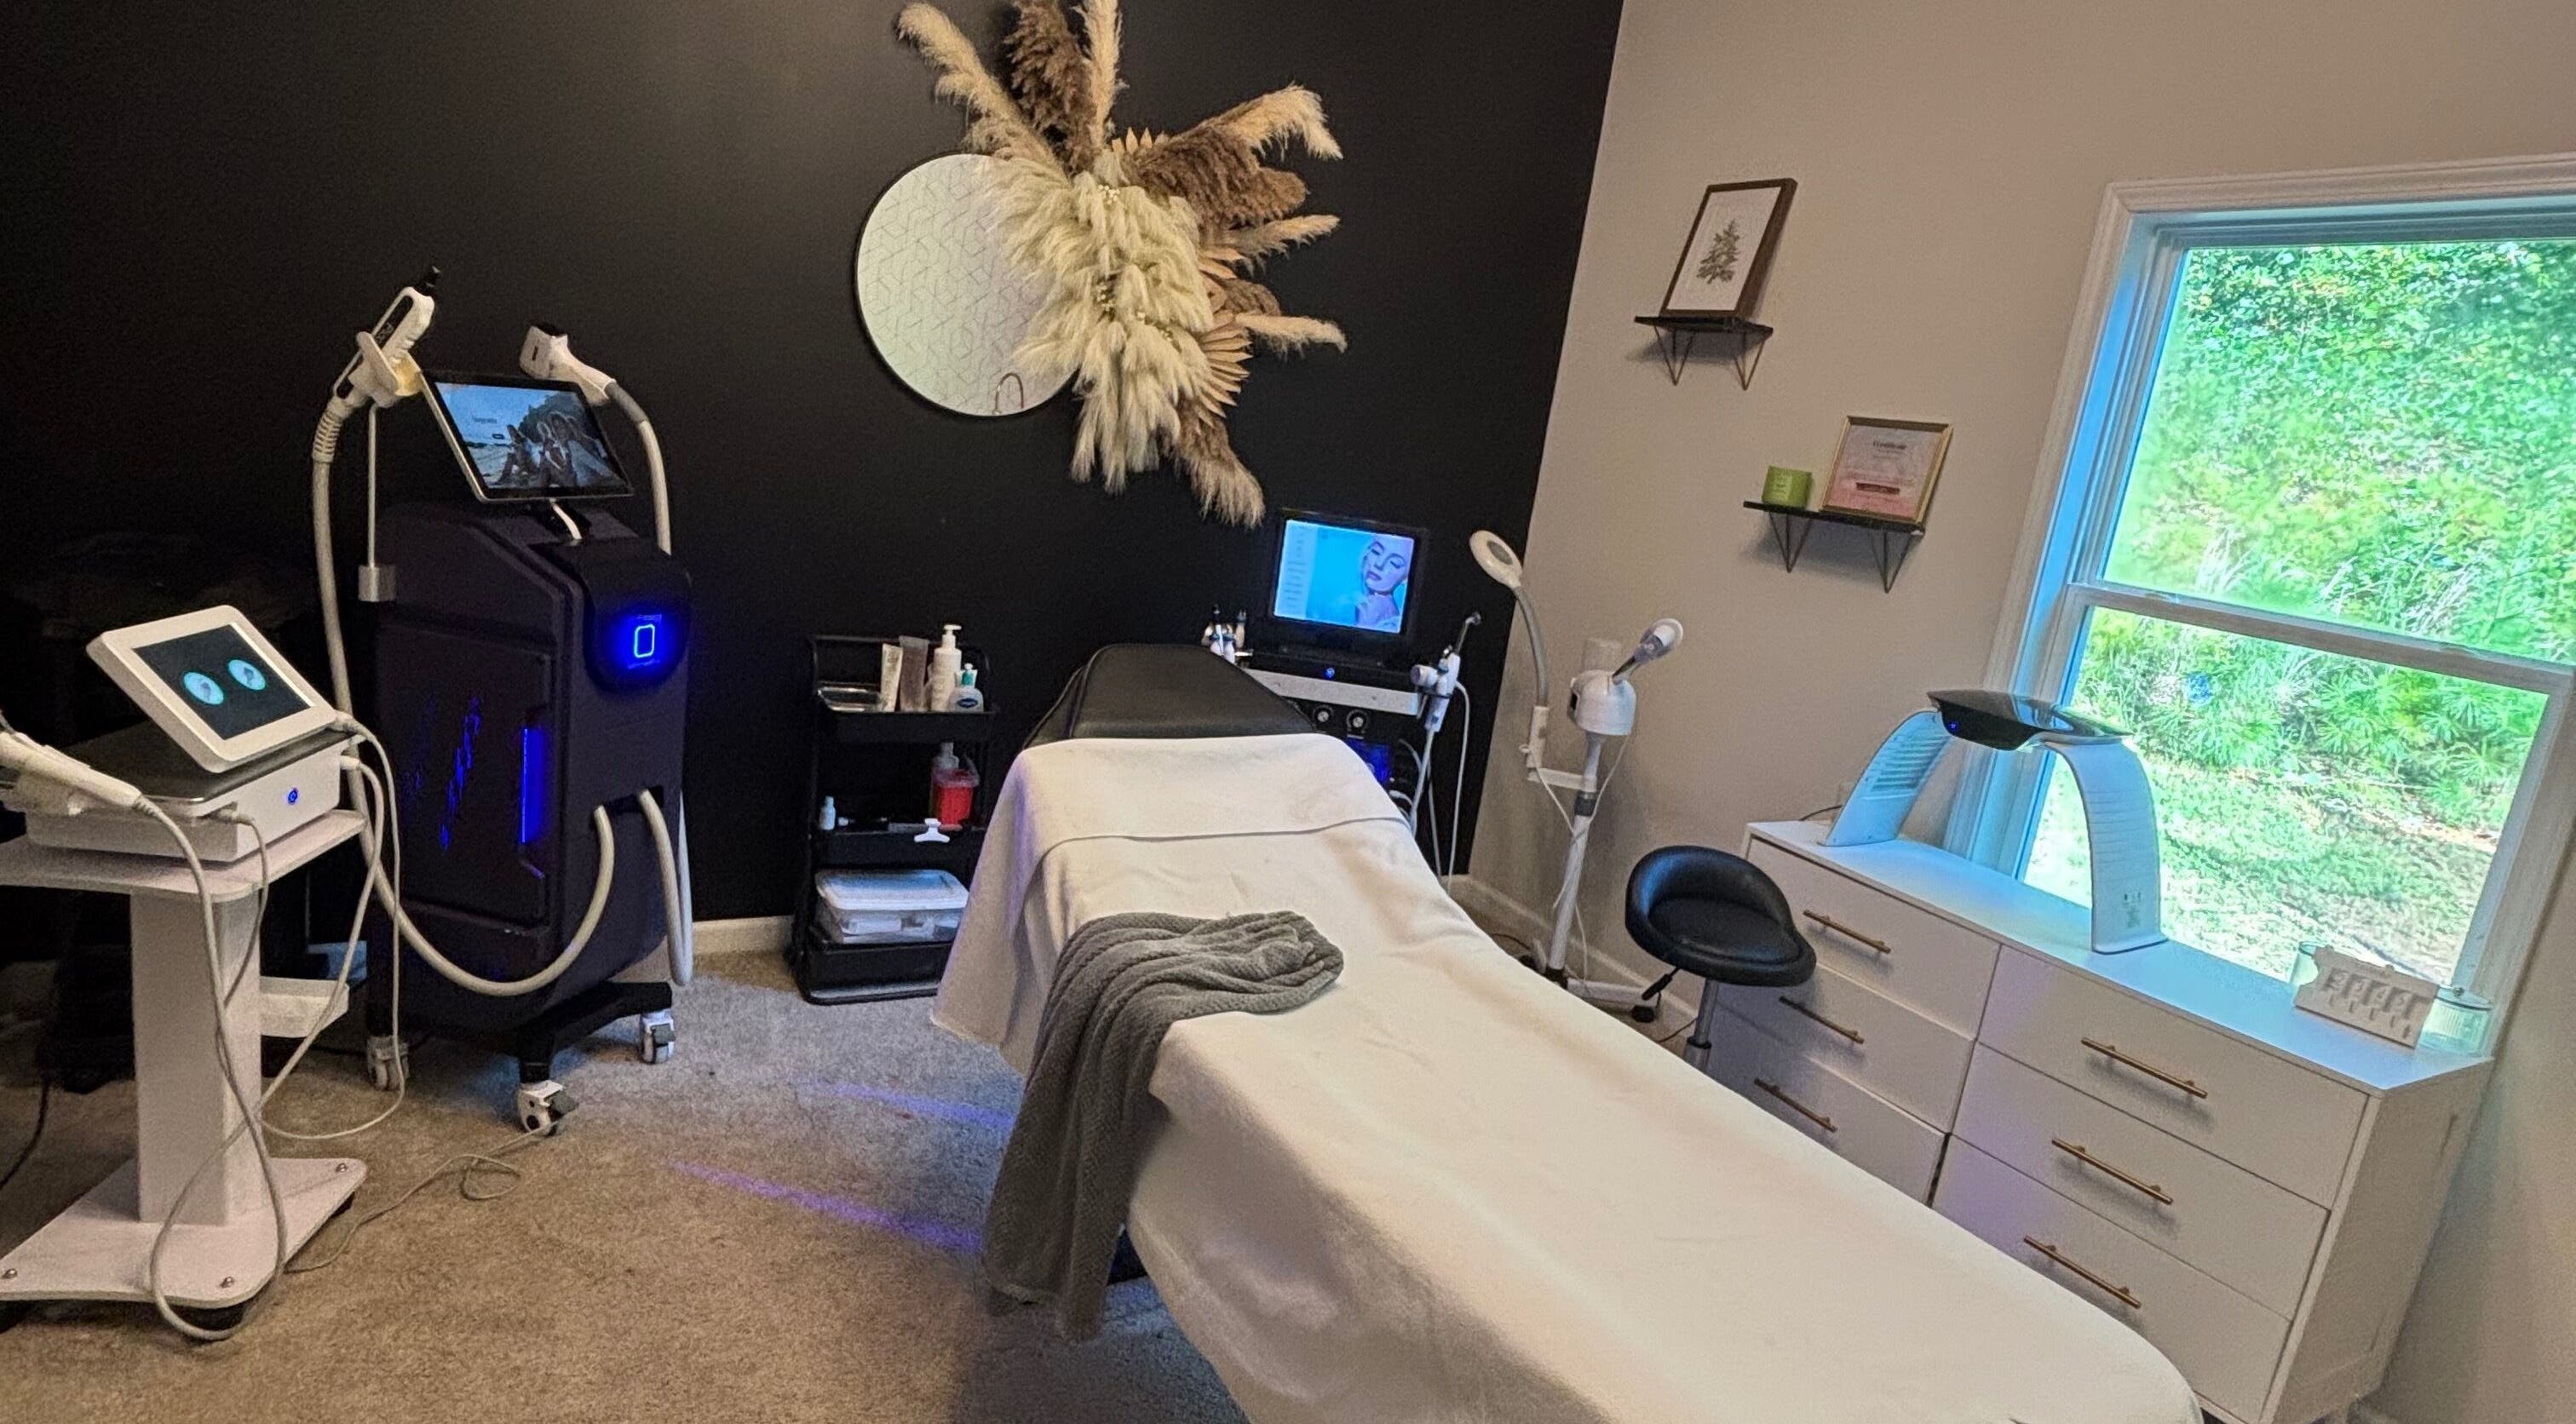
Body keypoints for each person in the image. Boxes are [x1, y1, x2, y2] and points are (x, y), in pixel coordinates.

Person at [1353, 537, 1411, 632]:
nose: (1379, 564)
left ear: (1406, 578)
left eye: (1394, 563)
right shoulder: (1361, 603)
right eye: (1376, 552)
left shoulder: (1392, 624)